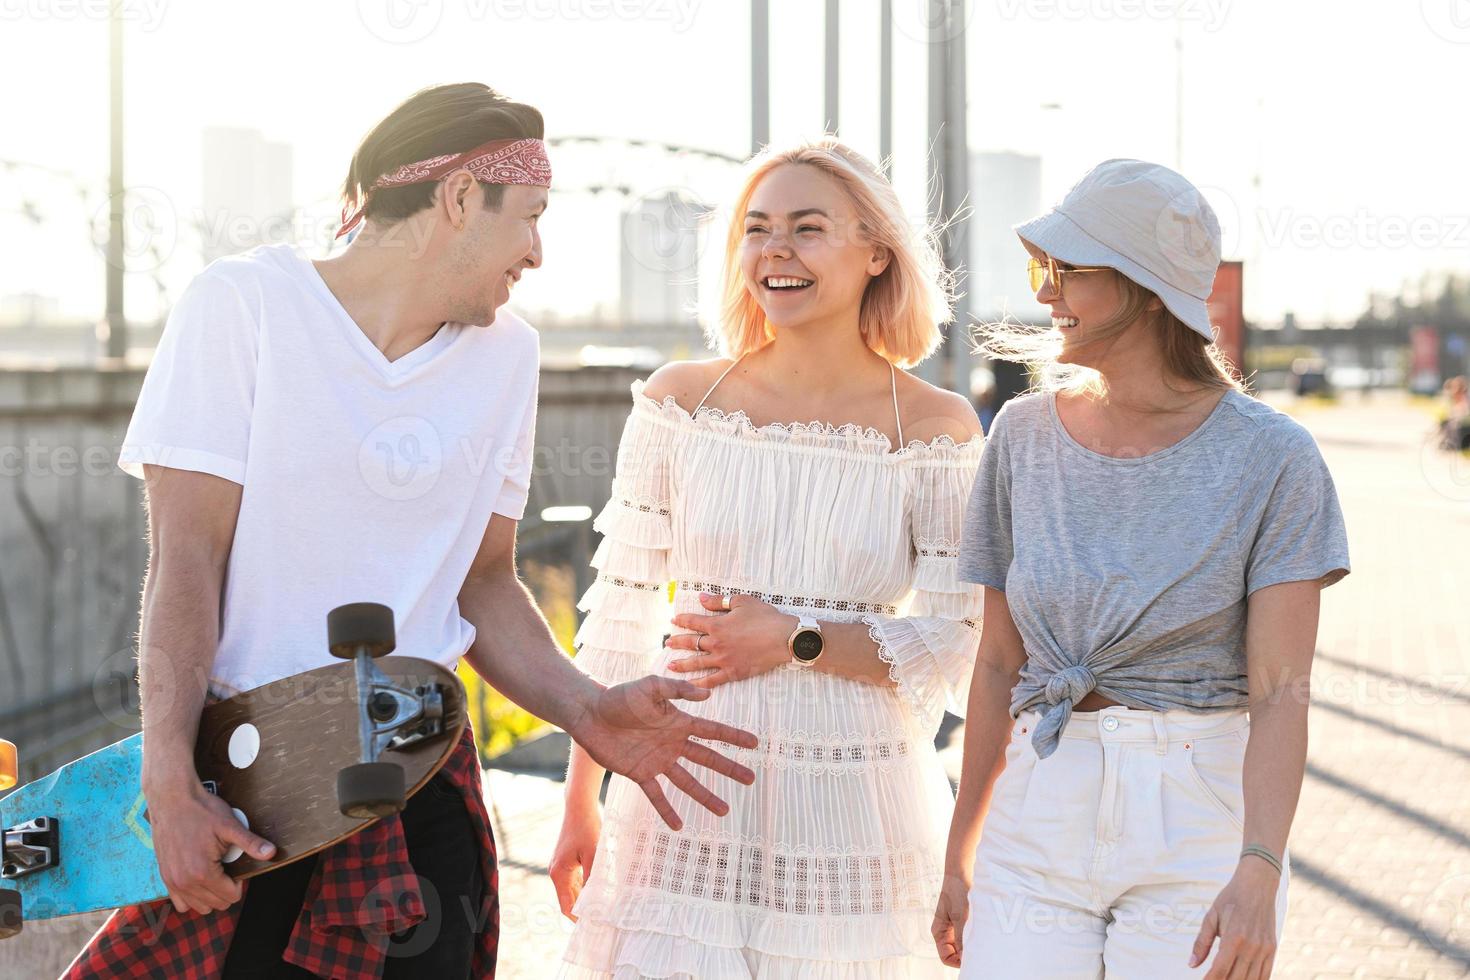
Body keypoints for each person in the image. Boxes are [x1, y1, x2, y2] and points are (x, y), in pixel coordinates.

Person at [64, 82, 757, 980]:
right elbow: (187, 559)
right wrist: (167, 779)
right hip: (247, 785)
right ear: (461, 197)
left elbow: (485, 582)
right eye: (531, 217)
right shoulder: (242, 306)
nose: (538, 254)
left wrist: (588, 711)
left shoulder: (509, 356)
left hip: (421, 784)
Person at [550, 138, 986, 977]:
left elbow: (962, 643)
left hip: (853, 804)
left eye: (807, 228)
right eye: (757, 229)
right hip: (681, 794)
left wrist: (796, 637)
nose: (775, 250)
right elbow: (621, 612)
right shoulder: (683, 400)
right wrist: (580, 799)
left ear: (876, 254)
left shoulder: (933, 428)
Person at [932, 159, 1351, 978]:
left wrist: (1260, 866)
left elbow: (1278, 693)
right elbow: (995, 664)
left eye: (1066, 270)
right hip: (1038, 809)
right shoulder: (1019, 436)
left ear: (1147, 287)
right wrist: (959, 852)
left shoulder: (1274, 459)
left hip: (1196, 820)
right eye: (1039, 269)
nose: (1045, 292)